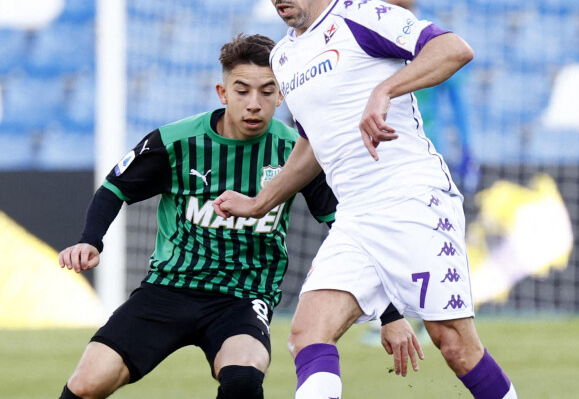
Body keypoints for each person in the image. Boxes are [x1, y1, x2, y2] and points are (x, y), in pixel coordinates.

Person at [213, 0, 518, 399]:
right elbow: (312, 146)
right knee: (307, 333)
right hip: (355, 218)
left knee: (454, 345)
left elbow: (454, 48)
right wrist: (259, 202)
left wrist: (385, 88)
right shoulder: (286, 59)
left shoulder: (361, 18)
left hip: (412, 199)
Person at [57, 33, 418, 399]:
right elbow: (114, 189)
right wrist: (90, 239)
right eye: (242, 90)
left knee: (243, 379)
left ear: (282, 96)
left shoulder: (298, 152)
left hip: (243, 298)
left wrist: (389, 313)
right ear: (222, 92)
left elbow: (346, 229)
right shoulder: (176, 142)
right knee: (88, 383)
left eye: (267, 91)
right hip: (168, 289)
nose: (254, 104)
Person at [378, 0, 479, 195]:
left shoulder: (437, 38)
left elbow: (458, 98)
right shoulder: (371, 37)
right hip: (382, 151)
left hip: (428, 146)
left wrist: (467, 148)